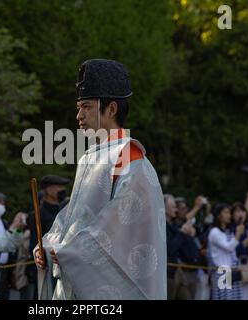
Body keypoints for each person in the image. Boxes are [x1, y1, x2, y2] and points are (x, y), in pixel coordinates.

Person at [34, 59, 167, 300]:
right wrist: (48, 244)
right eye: (78, 107)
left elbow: (121, 227)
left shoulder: (129, 156)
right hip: (73, 271)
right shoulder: (89, 156)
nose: (79, 115)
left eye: (86, 106)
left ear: (112, 109)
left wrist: (68, 251)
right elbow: (73, 216)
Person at [28, 175, 69, 299]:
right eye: (58, 186)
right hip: (45, 264)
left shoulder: (66, 210)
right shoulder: (37, 214)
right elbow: (35, 242)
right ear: (48, 190)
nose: (62, 189)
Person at [207, 203, 244, 300]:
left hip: (232, 270)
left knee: (234, 297)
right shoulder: (214, 232)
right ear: (218, 215)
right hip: (221, 271)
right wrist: (238, 234)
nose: (229, 215)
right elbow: (229, 247)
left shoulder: (228, 231)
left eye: (229, 213)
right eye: (226, 212)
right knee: (224, 297)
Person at [165, 194, 198, 300]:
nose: (176, 210)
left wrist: (189, 234)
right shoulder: (160, 225)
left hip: (177, 271)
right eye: (173, 207)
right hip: (167, 274)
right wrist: (182, 232)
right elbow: (170, 249)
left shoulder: (174, 225)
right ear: (163, 208)